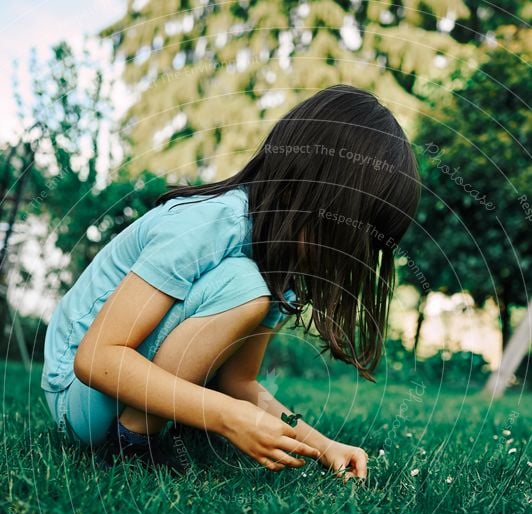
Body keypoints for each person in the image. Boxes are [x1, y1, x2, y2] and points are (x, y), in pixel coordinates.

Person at [42, 84, 420, 481]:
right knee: (243, 285)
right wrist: (224, 417)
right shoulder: (209, 224)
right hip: (77, 397)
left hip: (116, 388)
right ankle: (134, 440)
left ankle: (147, 424)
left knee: (249, 285)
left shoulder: (282, 264)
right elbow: (95, 358)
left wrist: (322, 445)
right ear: (315, 194)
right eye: (350, 238)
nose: (350, 259)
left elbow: (238, 381)